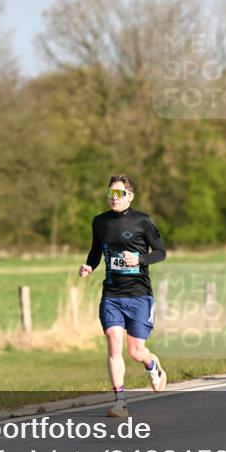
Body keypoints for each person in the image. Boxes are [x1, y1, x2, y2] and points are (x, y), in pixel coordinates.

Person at [79, 175, 168, 417]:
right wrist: (89, 266)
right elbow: (96, 250)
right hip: (112, 294)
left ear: (129, 196)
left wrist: (139, 259)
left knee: (136, 352)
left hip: (139, 294)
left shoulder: (143, 221)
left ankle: (153, 366)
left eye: (119, 194)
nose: (114, 198)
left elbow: (161, 252)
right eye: (111, 194)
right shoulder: (100, 222)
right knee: (113, 342)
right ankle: (120, 402)